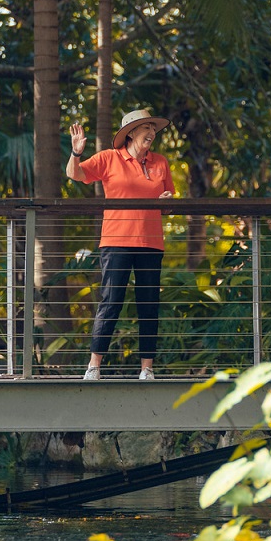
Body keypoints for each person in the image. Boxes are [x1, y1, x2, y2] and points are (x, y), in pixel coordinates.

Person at [67, 109, 175, 380]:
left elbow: (170, 202)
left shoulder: (160, 162)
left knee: (148, 304)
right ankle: (94, 366)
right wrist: (77, 153)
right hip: (116, 242)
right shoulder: (109, 158)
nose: (152, 133)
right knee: (111, 301)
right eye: (146, 128)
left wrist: (167, 202)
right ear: (131, 133)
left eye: (153, 128)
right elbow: (74, 174)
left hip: (151, 243)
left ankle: (147, 369)